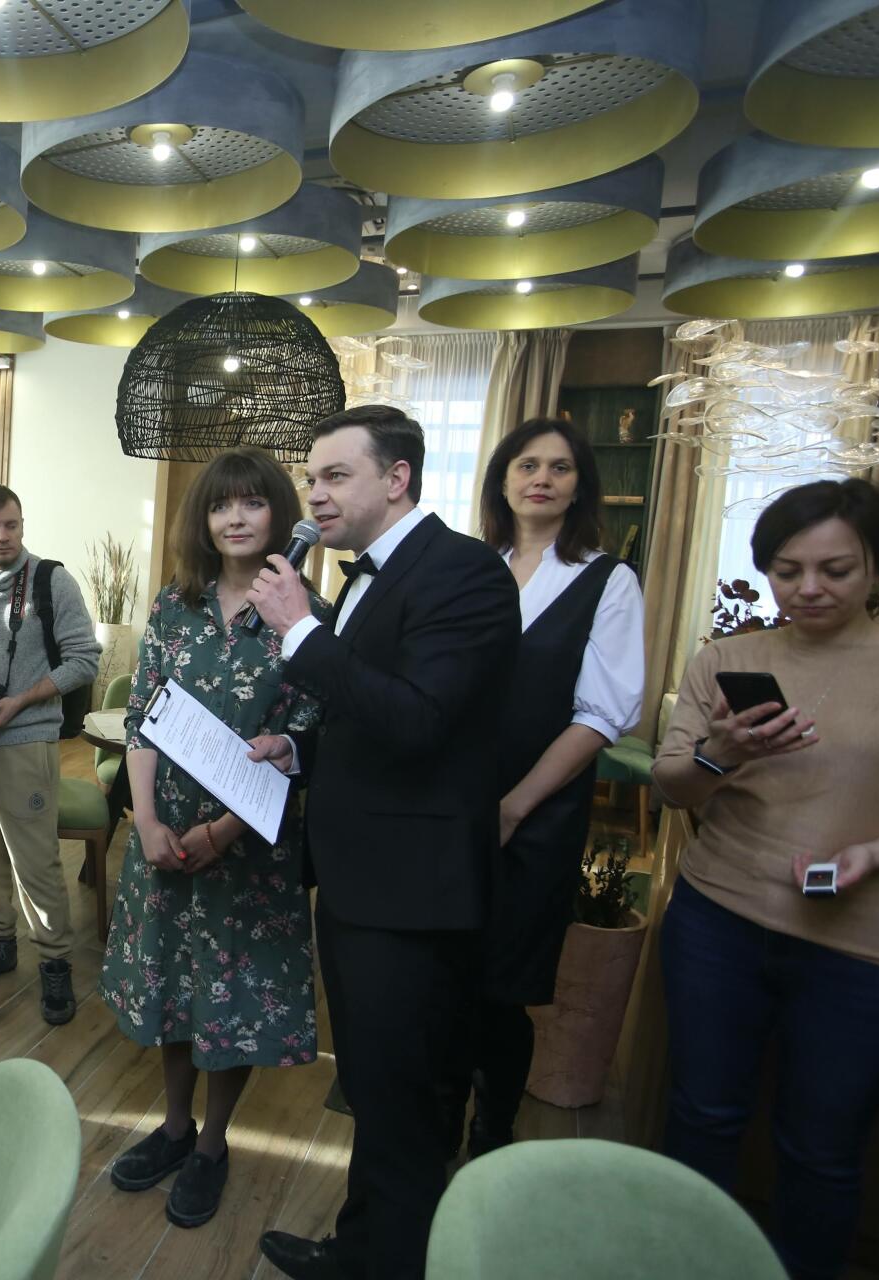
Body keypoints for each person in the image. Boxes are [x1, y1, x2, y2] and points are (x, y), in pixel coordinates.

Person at [652, 479, 879, 1280]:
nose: (808, 589)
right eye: (787, 570)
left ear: (876, 569)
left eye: (836, 570)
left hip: (876, 953)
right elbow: (672, 785)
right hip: (720, 923)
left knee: (822, 1150)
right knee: (700, 1119)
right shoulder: (727, 660)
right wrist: (721, 755)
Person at [244, 405, 520, 1280]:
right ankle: (362, 1250)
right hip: (360, 878)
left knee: (405, 1103)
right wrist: (300, 749)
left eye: (335, 476)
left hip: (413, 893)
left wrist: (300, 630)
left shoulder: (464, 572)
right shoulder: (368, 575)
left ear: (397, 478)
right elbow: (366, 716)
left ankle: (389, 1263)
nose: (315, 495)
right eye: (312, 477)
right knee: (376, 1086)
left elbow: (420, 720)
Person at [100, 446, 325, 1230]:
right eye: (221, 504)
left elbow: (307, 736)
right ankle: (173, 1127)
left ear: (278, 514)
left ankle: (212, 1144)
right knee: (172, 983)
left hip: (249, 846)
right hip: (164, 836)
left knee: (230, 995)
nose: (234, 518)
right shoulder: (174, 604)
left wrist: (224, 831)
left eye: (252, 502)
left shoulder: (305, 614)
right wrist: (145, 820)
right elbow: (140, 718)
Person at [449, 419, 645, 1158]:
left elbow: (601, 716)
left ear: (579, 486)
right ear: (501, 480)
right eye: (527, 464)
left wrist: (514, 806)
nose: (542, 478)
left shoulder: (607, 579)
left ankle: (491, 1132)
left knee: (502, 986)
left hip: (536, 811)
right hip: (450, 803)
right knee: (441, 973)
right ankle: (433, 1117)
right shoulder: (472, 566)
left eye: (560, 468)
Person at [0, 484, 101, 1025]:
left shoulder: (52, 581)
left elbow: (84, 660)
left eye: (11, 525)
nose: (2, 536)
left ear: (22, 525)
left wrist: (21, 700)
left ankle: (55, 962)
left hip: (26, 740)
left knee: (37, 863)